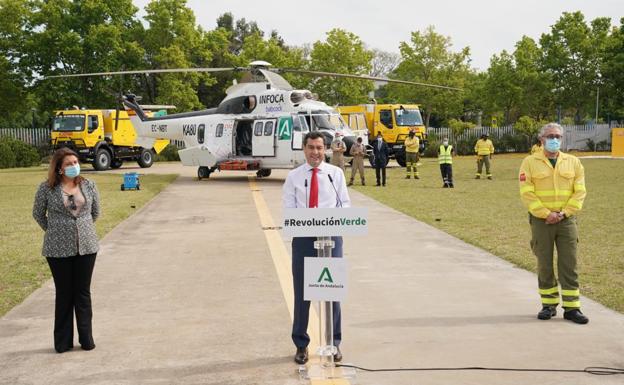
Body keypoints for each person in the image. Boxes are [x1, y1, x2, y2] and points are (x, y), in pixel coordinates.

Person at [283, 131, 351, 364]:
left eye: (320, 148)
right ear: (304, 149)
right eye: (311, 147)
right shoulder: (293, 177)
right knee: (302, 294)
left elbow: (345, 205)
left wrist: (330, 221)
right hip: (304, 239)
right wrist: (309, 222)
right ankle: (301, 344)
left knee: (332, 292)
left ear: (326, 150)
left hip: (331, 238)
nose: (316, 152)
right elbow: (289, 210)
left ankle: (334, 343)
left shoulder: (336, 174)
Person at [519, 123, 588, 324]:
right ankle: (548, 305)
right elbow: (527, 193)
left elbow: (580, 191)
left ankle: (572, 308)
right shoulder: (529, 162)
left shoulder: (573, 162)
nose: (554, 139)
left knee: (569, 263)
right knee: (544, 263)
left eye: (558, 136)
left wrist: (564, 213)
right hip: (542, 221)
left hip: (566, 221)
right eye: (550, 136)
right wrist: (545, 213)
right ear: (541, 139)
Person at [32, 148, 101, 353]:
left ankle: (86, 339)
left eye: (75, 162)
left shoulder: (88, 185)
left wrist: (82, 228)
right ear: (59, 168)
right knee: (64, 294)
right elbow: (38, 214)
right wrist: (54, 230)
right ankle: (62, 342)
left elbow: (95, 212)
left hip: (87, 247)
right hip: (57, 248)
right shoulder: (46, 188)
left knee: (82, 293)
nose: (73, 166)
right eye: (69, 164)